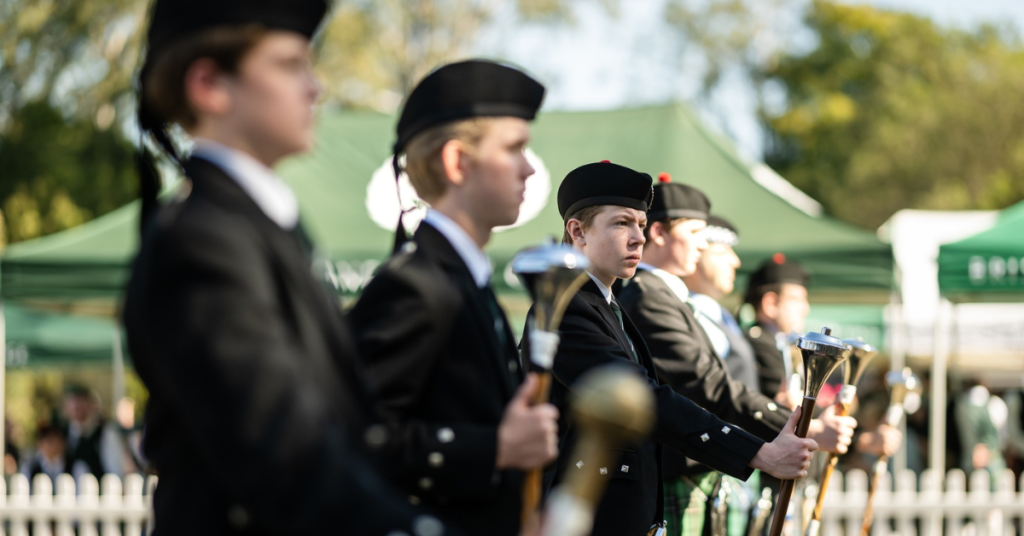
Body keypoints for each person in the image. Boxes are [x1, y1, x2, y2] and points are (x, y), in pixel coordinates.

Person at [123, 1, 443, 533]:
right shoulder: (200, 240)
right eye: (291, 65)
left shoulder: (254, 226)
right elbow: (285, 453)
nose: (314, 88)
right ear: (209, 84)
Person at [523, 161, 818, 536]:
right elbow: (645, 399)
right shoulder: (568, 308)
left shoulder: (607, 305)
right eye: (621, 223)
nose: (638, 238)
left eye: (641, 225)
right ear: (577, 230)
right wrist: (760, 453)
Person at [350, 59, 559, 536]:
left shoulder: (462, 277)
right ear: (457, 161)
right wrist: (496, 449)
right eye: (514, 149)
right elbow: (348, 438)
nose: (529, 168)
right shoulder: (415, 285)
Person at [618, 179, 855, 536]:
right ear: (660, 233)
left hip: (707, 462)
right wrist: (797, 426)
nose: (703, 243)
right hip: (684, 465)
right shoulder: (648, 297)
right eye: (696, 231)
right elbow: (706, 384)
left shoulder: (664, 298)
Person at [743, 256, 811, 406]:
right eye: (796, 299)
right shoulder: (758, 342)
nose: (806, 308)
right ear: (771, 304)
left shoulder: (782, 343)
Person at [62, 385, 131, 480]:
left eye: (81, 403)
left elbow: (116, 470)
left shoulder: (106, 433)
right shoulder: (63, 434)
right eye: (74, 404)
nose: (77, 408)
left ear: (91, 405)